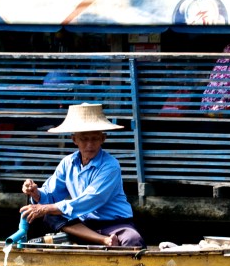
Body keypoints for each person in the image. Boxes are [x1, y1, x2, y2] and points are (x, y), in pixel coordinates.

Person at [20, 103, 144, 247]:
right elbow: (50, 195)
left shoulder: (111, 165)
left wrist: (45, 208)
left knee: (132, 239)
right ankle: (103, 240)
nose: (90, 145)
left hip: (114, 223)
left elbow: (91, 199)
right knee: (50, 215)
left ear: (103, 139)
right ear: (75, 140)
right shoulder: (68, 162)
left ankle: (107, 240)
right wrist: (36, 193)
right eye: (84, 139)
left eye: (95, 139)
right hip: (83, 226)